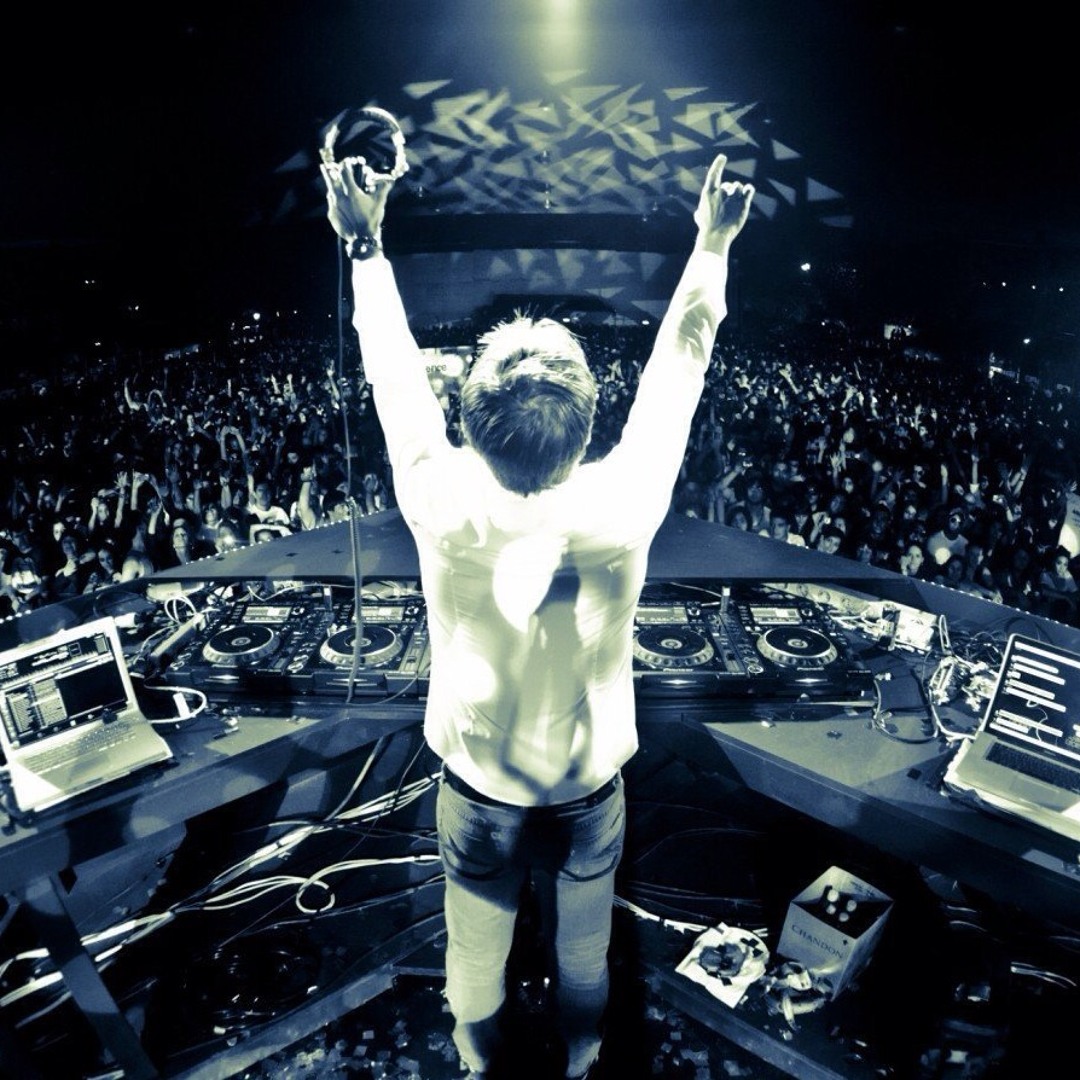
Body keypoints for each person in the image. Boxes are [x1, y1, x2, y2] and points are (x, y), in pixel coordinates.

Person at [322, 146, 753, 1080]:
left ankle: (477, 1062)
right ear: (592, 422)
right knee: (584, 948)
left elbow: (393, 375)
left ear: (468, 422)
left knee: (474, 949)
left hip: (478, 791)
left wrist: (364, 245)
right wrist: (712, 243)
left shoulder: (440, 496)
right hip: (590, 792)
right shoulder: (626, 497)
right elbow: (681, 363)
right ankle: (583, 1056)